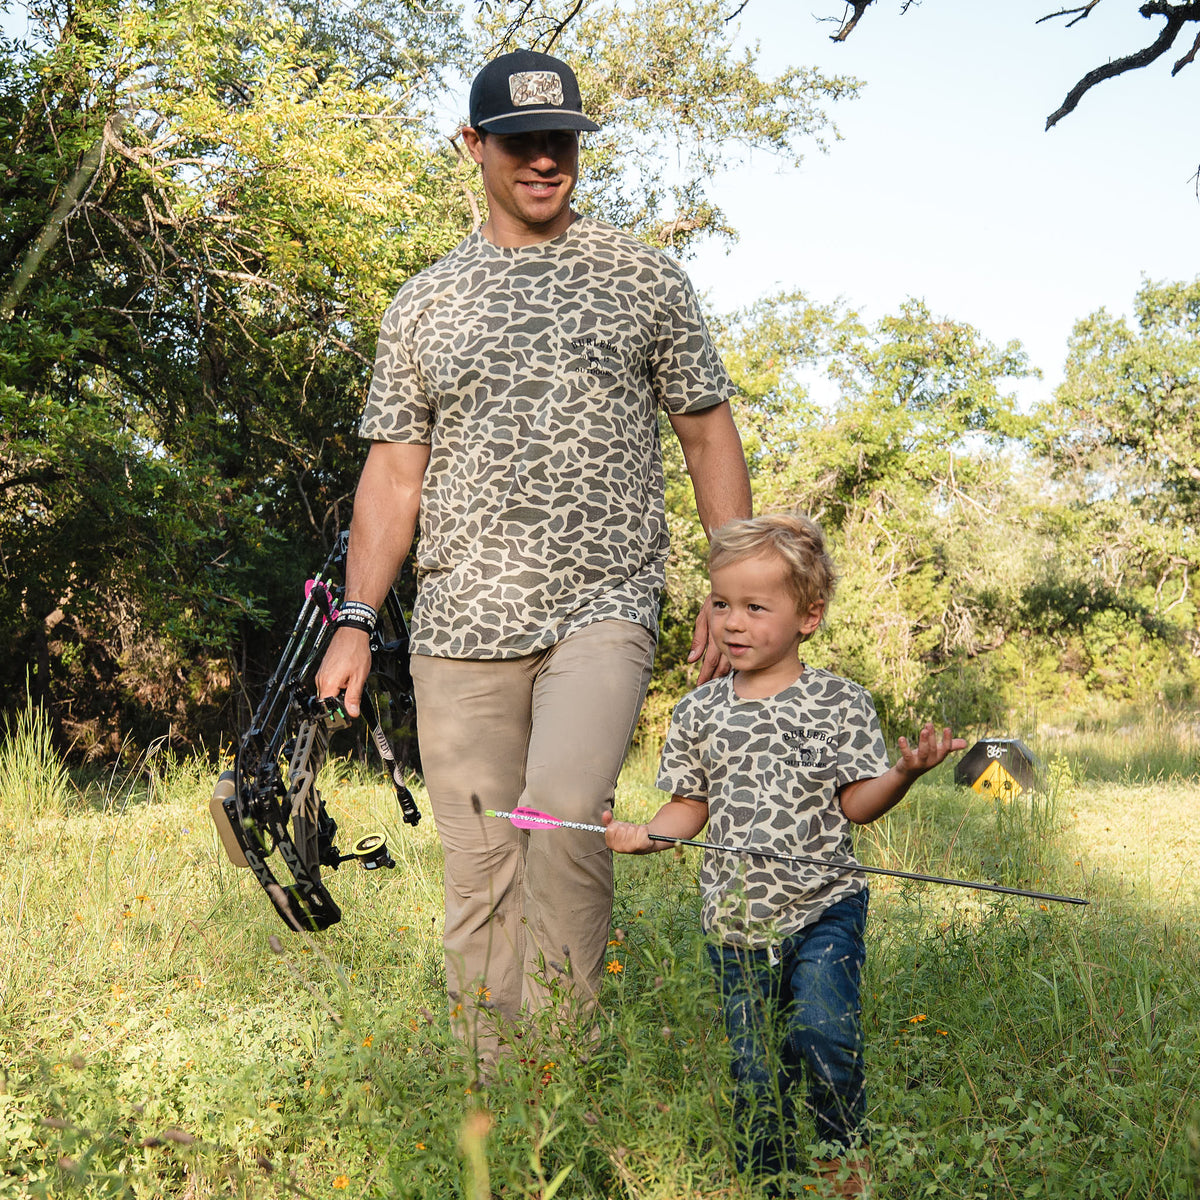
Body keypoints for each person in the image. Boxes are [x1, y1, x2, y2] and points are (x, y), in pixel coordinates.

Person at [315, 48, 752, 1065]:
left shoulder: (643, 277)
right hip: (460, 627)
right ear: (476, 147)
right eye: (520, 142)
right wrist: (354, 620)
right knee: (480, 867)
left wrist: (733, 583)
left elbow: (705, 430)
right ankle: (497, 1100)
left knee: (559, 824)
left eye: (560, 141)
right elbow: (393, 475)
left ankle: (564, 1077)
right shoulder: (424, 302)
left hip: (602, 606)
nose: (543, 160)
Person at [603, 514, 964, 1198]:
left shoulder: (839, 701)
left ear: (809, 616)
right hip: (736, 922)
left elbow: (856, 804)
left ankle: (840, 1161)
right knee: (756, 1064)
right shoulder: (698, 711)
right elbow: (688, 808)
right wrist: (642, 834)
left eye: (755, 607)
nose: (731, 623)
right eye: (720, 604)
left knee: (823, 1034)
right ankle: (765, 1180)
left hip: (825, 907)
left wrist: (905, 772)